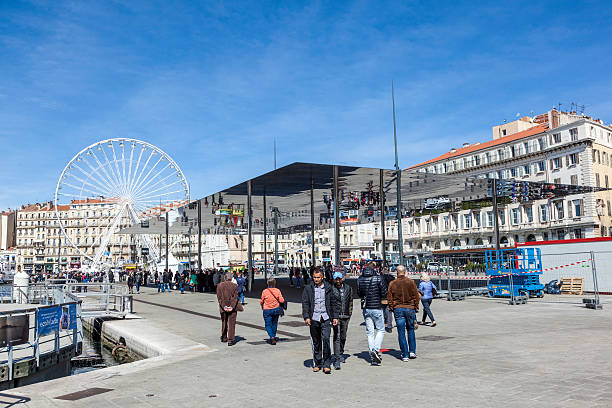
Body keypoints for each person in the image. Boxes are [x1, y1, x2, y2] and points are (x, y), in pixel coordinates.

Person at [301, 268, 338, 374]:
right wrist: (306, 317)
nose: (316, 279)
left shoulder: (329, 288)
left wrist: (335, 317)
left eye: (318, 277)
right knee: (316, 341)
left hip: (326, 318)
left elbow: (333, 303)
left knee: (326, 339)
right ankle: (317, 363)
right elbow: (305, 303)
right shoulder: (308, 288)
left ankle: (326, 364)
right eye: (314, 277)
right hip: (314, 318)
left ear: (322, 277)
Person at [388, 265, 421, 361]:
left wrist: (392, 308)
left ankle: (405, 354)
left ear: (397, 272)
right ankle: (412, 352)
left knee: (401, 332)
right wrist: (415, 307)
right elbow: (416, 295)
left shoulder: (392, 283)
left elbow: (389, 297)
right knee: (410, 330)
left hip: (398, 309)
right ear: (405, 272)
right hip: (410, 308)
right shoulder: (411, 282)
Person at [357, 261, 388, 365]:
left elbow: (359, 293)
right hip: (377, 307)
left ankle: (372, 356)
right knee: (381, 330)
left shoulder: (360, 279)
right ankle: (376, 349)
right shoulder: (378, 278)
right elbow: (384, 292)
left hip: (366, 308)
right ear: (374, 268)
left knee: (370, 332)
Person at [331, 271, 352, 370]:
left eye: (339, 278)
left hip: (346, 315)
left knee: (343, 336)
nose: (338, 280)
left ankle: (341, 352)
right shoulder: (331, 289)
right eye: (336, 279)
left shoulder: (348, 288)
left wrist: (350, 313)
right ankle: (337, 358)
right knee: (337, 336)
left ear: (342, 278)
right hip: (336, 316)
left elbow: (350, 301)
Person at [217, 272, 241, 346]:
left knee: (224, 322)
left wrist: (224, 306)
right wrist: (231, 306)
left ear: (225, 277)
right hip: (233, 309)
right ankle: (230, 340)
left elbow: (219, 298)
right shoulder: (235, 286)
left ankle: (224, 337)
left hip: (223, 308)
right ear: (231, 278)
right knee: (232, 324)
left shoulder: (219, 286)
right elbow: (235, 298)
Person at [260, 277, 285, 345]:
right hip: (276, 309)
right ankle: (273, 336)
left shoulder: (264, 291)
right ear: (274, 283)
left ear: (267, 283)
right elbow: (282, 300)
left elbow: (261, 301)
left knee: (268, 325)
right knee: (274, 324)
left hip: (267, 310)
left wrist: (262, 305)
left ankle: (272, 337)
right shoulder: (277, 290)